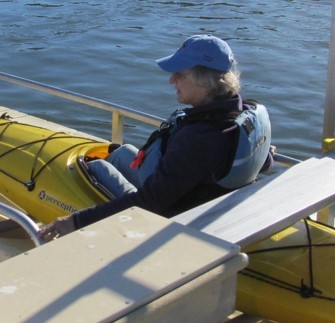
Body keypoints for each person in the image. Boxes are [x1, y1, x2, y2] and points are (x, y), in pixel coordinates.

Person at [38, 35, 272, 241]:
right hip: (204, 194)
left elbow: (150, 203)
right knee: (122, 154)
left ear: (206, 81)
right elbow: (264, 162)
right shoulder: (244, 113)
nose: (171, 81)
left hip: (178, 216)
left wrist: (75, 222)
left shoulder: (200, 139)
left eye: (179, 75)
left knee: (96, 167)